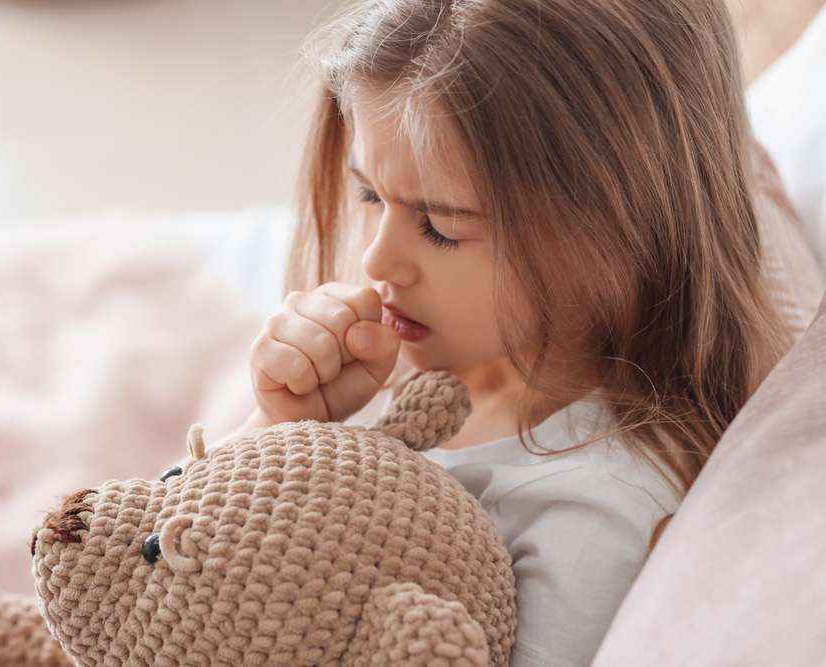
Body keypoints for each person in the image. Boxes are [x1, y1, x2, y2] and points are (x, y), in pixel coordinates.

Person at [230, 1, 793, 664]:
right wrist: (277, 425)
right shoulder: (425, 356)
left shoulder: (592, 508)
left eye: (441, 226)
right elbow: (156, 564)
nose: (379, 260)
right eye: (370, 195)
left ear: (616, 235)